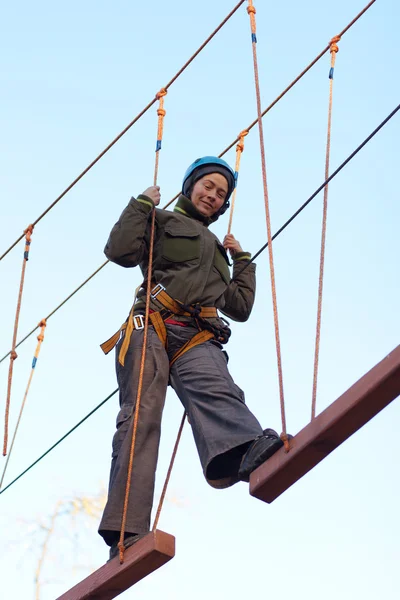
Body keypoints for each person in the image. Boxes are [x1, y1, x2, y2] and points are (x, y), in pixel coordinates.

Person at [98, 156, 284, 560]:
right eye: (208, 186)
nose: (212, 196)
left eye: (220, 194)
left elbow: (239, 305)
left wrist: (243, 262)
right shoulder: (162, 220)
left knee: (218, 385)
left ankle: (240, 452)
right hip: (152, 322)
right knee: (141, 416)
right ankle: (125, 530)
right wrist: (141, 205)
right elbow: (120, 252)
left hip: (196, 332)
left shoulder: (218, 250)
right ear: (191, 186)